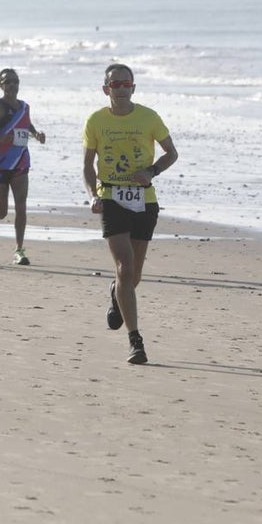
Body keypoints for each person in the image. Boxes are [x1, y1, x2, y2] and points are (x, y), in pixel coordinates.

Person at [82, 63, 178, 365]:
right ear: (105, 89)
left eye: (126, 84)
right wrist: (93, 196)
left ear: (133, 88)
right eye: (115, 84)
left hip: (144, 200)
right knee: (124, 266)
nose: (121, 89)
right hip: (111, 196)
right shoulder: (96, 121)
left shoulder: (149, 117)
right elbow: (87, 167)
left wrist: (151, 171)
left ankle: (116, 293)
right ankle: (135, 340)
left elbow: (171, 153)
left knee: (133, 275)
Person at [0, 68, 46, 265]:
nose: (12, 85)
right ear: (1, 86)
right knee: (2, 212)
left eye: (15, 81)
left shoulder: (24, 107)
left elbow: (27, 126)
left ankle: (19, 250)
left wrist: (36, 134)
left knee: (21, 206)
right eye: (7, 82)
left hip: (21, 160)